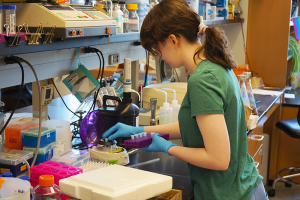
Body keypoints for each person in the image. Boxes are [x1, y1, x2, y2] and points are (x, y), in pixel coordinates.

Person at [102, 0, 268, 199]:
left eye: (157, 49)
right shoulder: (215, 64)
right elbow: (197, 127)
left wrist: (168, 148)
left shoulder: (203, 79)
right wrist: (140, 131)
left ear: (173, 40)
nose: (160, 57)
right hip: (244, 187)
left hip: (228, 193)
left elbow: (219, 159)